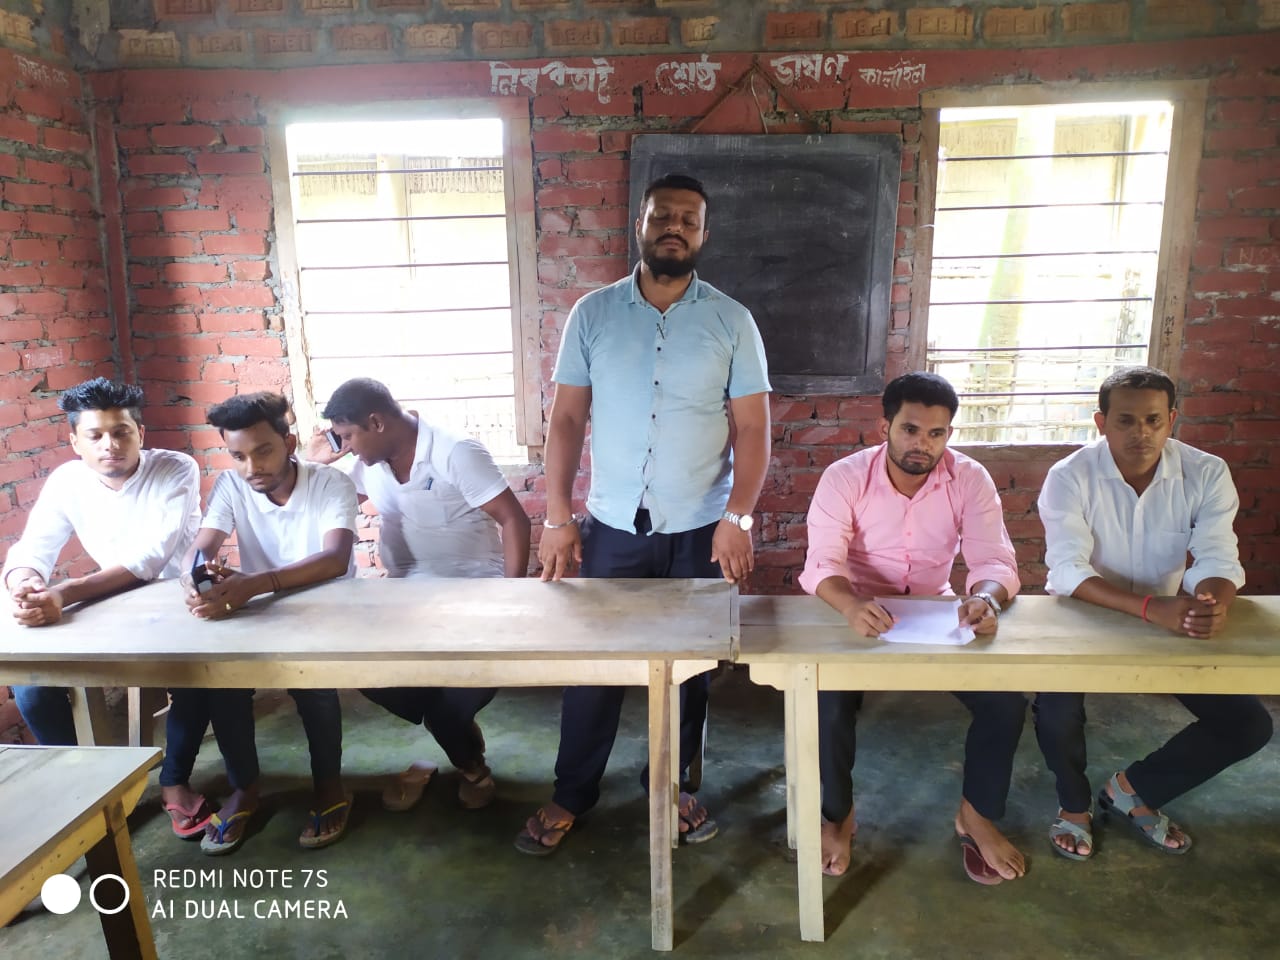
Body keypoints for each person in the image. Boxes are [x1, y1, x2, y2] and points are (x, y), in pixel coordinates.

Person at [522, 173, 772, 855]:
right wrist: (557, 517)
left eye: (689, 220)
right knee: (594, 670)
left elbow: (753, 429)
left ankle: (673, 787)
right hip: (612, 530)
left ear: (704, 234)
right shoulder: (594, 314)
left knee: (689, 670)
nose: (674, 229)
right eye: (663, 216)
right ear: (640, 223)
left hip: (701, 532)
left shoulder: (732, 321)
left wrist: (738, 519)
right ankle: (572, 792)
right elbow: (566, 420)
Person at [1034, 366, 1272, 860]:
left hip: (1167, 619)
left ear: (1172, 420)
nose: (1140, 433)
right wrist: (1149, 607)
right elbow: (1068, 569)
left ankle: (1133, 791)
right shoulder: (1069, 476)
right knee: (1056, 711)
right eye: (1125, 420)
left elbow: (1217, 556)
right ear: (1101, 422)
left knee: (1248, 724)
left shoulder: (1206, 472)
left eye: (1153, 420)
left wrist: (1212, 603)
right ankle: (1073, 805)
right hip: (1083, 616)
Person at [800, 371, 1026, 883]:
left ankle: (976, 816)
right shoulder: (845, 477)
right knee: (825, 702)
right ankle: (837, 816)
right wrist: (851, 605)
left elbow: (995, 561)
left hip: (937, 610)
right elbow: (823, 563)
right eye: (910, 430)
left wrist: (985, 599)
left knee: (1005, 701)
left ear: (949, 434)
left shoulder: (969, 478)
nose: (922, 444)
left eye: (935, 433)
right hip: (856, 608)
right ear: (885, 427)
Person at [305, 376, 531, 811]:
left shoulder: (455, 452)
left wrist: (514, 602)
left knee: (448, 706)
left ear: (376, 423)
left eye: (348, 436)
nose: (346, 446)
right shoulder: (367, 461)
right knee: (361, 672)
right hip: (404, 603)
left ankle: (471, 765)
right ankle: (458, 738)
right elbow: (322, 505)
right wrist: (316, 465)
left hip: (475, 601)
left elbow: (514, 520)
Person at [171, 392, 359, 855]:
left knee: (313, 685)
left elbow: (335, 559)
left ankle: (329, 786)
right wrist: (195, 573)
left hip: (326, 610)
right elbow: (204, 543)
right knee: (224, 682)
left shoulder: (330, 483)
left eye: (263, 451)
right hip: (263, 609)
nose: (252, 467)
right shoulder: (232, 487)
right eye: (238, 456)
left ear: (289, 443)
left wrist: (256, 583)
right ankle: (245, 788)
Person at [2, 378, 200, 766]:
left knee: (197, 685)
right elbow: (33, 546)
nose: (109, 445)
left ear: (140, 434)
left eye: (121, 432)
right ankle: (84, 776)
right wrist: (25, 582)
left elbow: (150, 558)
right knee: (32, 687)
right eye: (94, 436)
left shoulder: (175, 469)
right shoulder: (68, 480)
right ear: (75, 442)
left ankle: (174, 778)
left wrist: (64, 593)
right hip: (111, 600)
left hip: (179, 598)